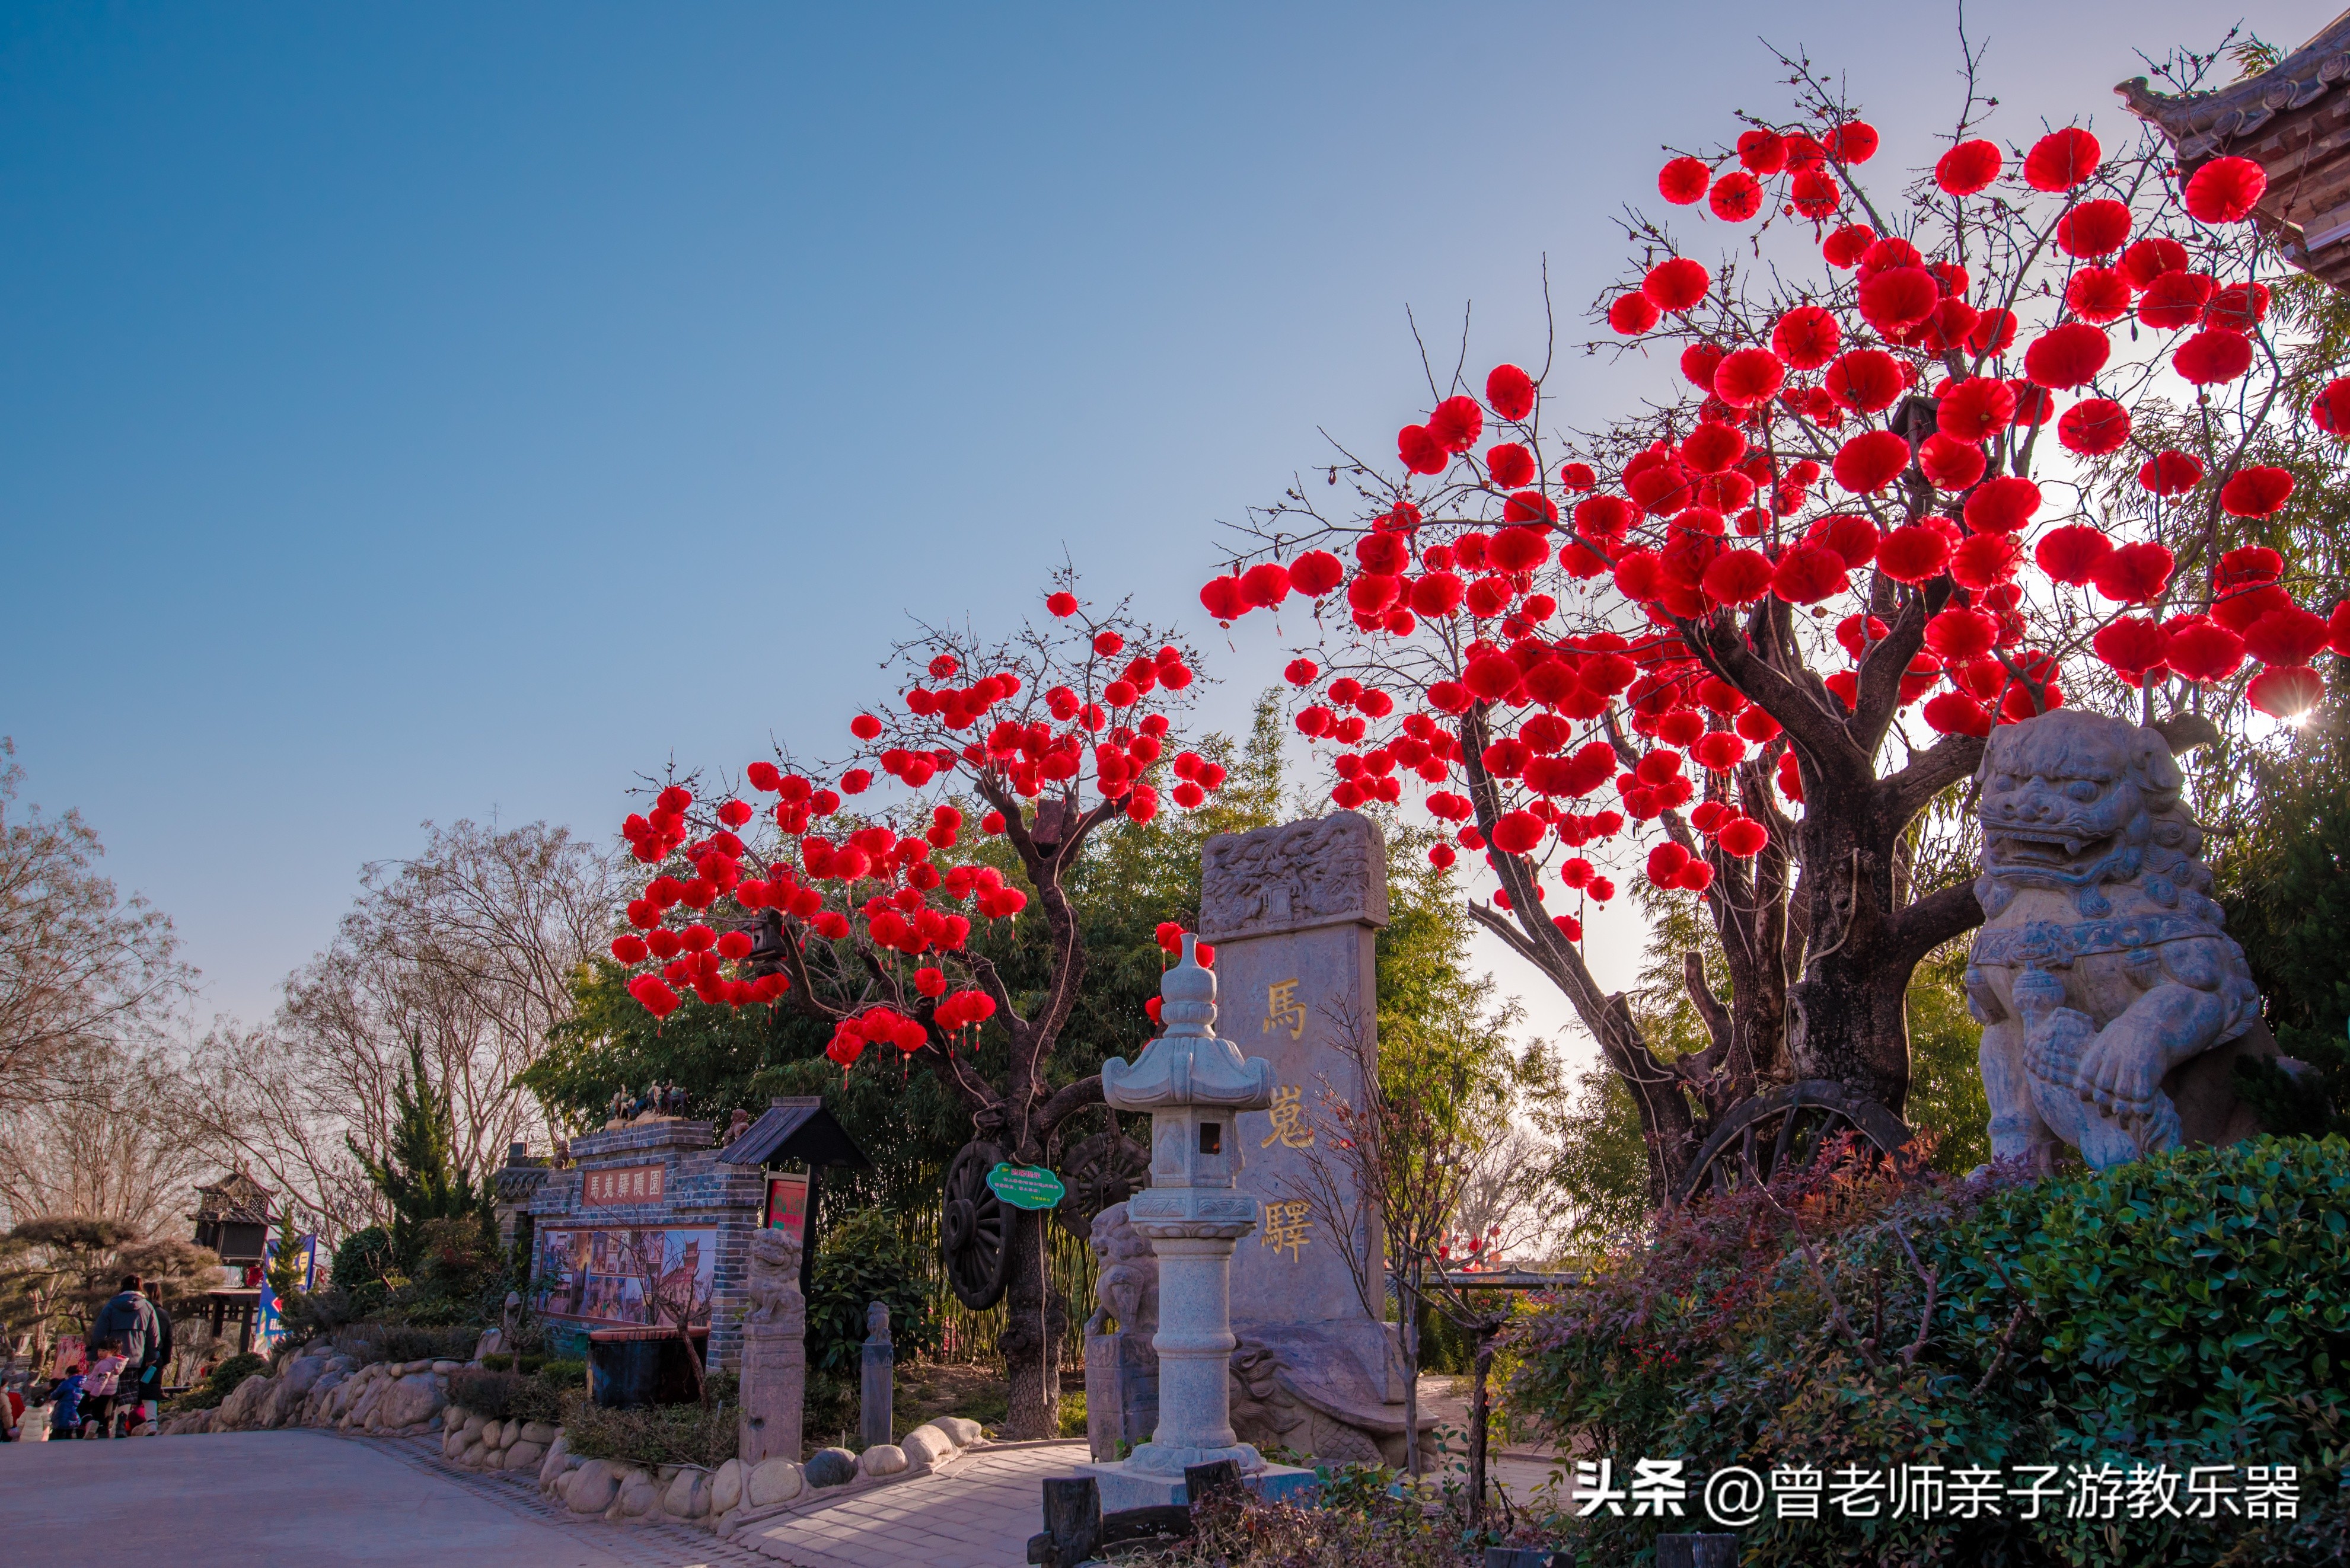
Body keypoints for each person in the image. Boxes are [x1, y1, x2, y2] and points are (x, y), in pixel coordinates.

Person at [91, 1273, 161, 1415]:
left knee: (107, 1390)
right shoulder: (147, 1307)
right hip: (135, 1357)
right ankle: (121, 1423)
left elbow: (99, 1332)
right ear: (140, 1287)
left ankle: (103, 1424)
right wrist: (151, 1356)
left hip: (111, 1357)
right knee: (128, 1392)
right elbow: (153, 1335)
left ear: (122, 1287)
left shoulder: (111, 1306)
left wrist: (94, 1355)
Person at [82, 1338, 126, 1437]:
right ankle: (102, 1430)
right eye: (99, 1350)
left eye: (104, 1351)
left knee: (83, 1408)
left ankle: (90, 1423)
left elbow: (102, 1380)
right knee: (100, 1412)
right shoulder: (112, 1362)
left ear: (113, 1352)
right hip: (107, 1392)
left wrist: (94, 1394)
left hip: (98, 1392)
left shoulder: (107, 1363)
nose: (100, 1353)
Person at [47, 1362, 86, 1439]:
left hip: (64, 1409)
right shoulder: (85, 1382)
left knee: (59, 1433)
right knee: (70, 1432)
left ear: (68, 1374)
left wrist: (51, 1394)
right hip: (78, 1409)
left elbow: (55, 1396)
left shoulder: (66, 1384)